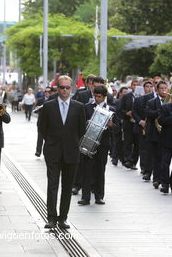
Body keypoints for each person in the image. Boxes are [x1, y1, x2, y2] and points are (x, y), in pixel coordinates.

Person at [40, 75, 86, 229]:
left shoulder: (79, 107)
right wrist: (51, 141)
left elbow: (81, 130)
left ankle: (63, 218)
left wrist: (71, 142)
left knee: (67, 187)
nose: (65, 90)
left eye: (67, 87)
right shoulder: (48, 106)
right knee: (52, 185)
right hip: (52, 151)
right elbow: (42, 128)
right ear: (57, 88)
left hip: (71, 152)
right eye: (62, 87)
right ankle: (51, 218)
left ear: (71, 88)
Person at [78, 85, 119, 205]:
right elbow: (81, 124)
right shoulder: (87, 107)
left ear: (104, 97)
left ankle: (99, 196)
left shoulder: (111, 110)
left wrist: (112, 125)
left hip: (103, 145)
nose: (96, 98)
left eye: (99, 96)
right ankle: (85, 197)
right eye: (95, 96)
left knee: (100, 170)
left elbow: (117, 129)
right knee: (87, 170)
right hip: (89, 143)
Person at [144, 81, 168, 188]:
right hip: (155, 133)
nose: (164, 90)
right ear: (157, 90)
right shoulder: (152, 102)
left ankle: (164, 180)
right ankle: (156, 179)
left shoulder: (170, 102)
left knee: (165, 159)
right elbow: (149, 113)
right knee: (157, 157)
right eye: (161, 88)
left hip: (167, 134)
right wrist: (161, 111)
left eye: (165, 88)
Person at [120, 80, 139, 169]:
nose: (135, 87)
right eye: (134, 85)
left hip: (137, 123)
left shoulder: (141, 97)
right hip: (128, 122)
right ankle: (127, 160)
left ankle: (133, 162)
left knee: (137, 144)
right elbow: (120, 109)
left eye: (137, 85)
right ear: (131, 86)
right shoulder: (126, 96)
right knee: (127, 142)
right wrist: (126, 113)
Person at [34, 86, 51, 157]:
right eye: (45, 92)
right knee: (40, 137)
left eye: (48, 92)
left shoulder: (53, 100)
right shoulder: (40, 100)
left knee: (48, 138)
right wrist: (39, 108)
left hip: (50, 122)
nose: (47, 93)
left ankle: (47, 152)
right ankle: (38, 151)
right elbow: (36, 110)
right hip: (41, 121)